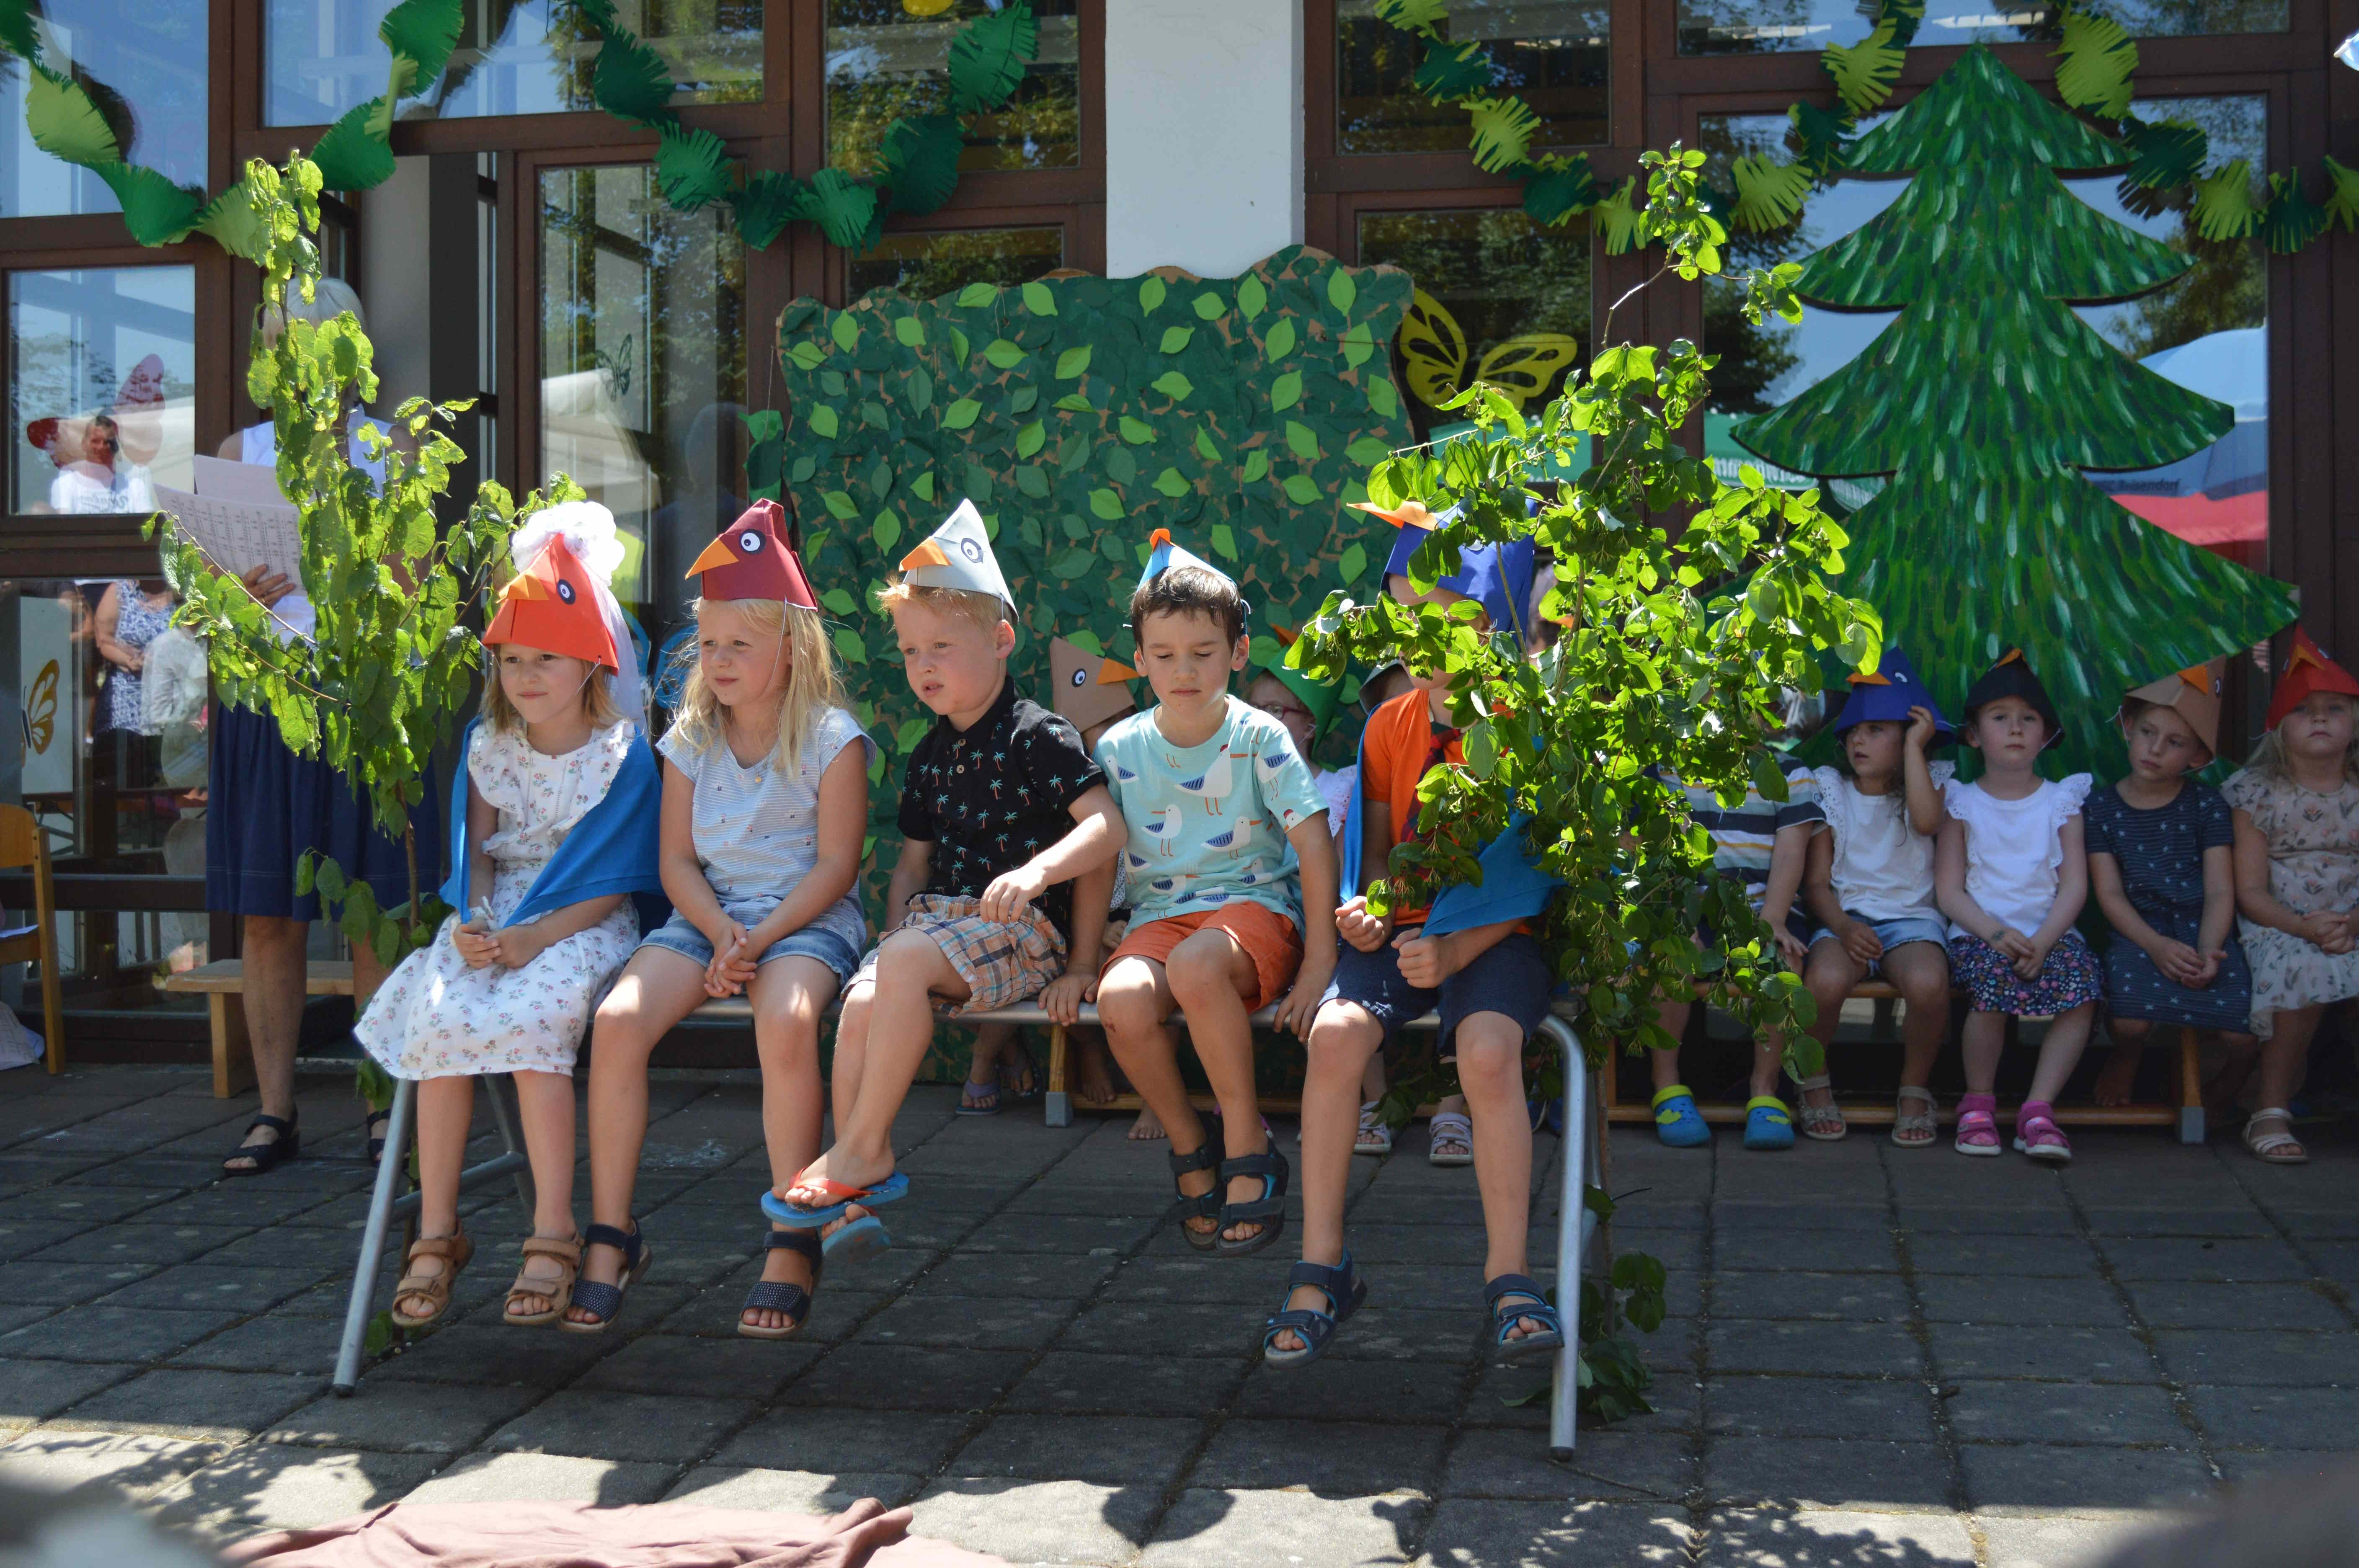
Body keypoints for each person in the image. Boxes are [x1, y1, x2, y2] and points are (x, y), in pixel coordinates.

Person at [768, 500, 1122, 1254]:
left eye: (940, 646)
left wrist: (1064, 924)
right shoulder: (930, 756)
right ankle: (850, 1191)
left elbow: (1105, 831)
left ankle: (865, 1149)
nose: (921, 665)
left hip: (1020, 929)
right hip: (936, 929)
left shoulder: (1039, 734)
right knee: (861, 999)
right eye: (908, 651)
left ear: (1000, 641)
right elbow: (912, 867)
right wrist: (896, 938)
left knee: (892, 967)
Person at [1267, 500, 1560, 1367]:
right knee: (1333, 1038)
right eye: (1405, 613)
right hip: (1410, 935)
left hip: (1500, 938)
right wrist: (1364, 901)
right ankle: (1321, 1265)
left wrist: (1460, 949)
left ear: (1493, 619)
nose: (1420, 638)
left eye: (1445, 614)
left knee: (1485, 1055)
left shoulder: (1528, 723)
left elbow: (1539, 876)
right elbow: (1384, 846)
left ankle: (1510, 1276)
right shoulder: (1388, 724)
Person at [568, 500, 870, 1336]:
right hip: (709, 919)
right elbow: (675, 863)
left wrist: (759, 942)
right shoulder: (691, 739)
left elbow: (838, 868)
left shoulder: (832, 738)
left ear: (792, 647)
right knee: (619, 1022)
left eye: (741, 644)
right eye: (710, 644)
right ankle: (609, 1235)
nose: (720, 660)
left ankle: (792, 1231)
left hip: (803, 921)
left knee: (785, 1017)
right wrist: (718, 933)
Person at [356, 515, 661, 1331]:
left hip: (579, 921)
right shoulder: (489, 743)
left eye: (545, 659)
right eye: (512, 660)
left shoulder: (620, 752)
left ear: (591, 661)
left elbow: (612, 877)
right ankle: (436, 1232)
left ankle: (553, 1230)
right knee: (439, 1017)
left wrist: (534, 937)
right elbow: (479, 852)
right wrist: (476, 919)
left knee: (535, 1021)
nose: (526, 675)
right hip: (497, 916)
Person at [211, 277, 437, 1176]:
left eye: (299, 341)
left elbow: (418, 590)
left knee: (371, 909)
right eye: (272, 343)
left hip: (363, 701)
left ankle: (384, 1107)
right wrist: (235, 594)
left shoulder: (396, 447)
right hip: (267, 703)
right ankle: (274, 1112)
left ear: (344, 349)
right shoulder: (240, 449)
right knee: (268, 916)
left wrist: (372, 560)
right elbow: (213, 600)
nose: (284, 360)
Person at [1090, 529, 1337, 1255]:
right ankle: (1188, 1140)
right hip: (1161, 918)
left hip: (1253, 914)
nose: (1184, 670)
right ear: (1139, 661)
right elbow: (1100, 855)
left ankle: (1244, 1135)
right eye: (1164, 656)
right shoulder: (1117, 748)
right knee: (1122, 998)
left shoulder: (1261, 736)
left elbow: (1313, 843)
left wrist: (1320, 961)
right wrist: (1084, 953)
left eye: (1203, 653)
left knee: (1198, 964)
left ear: (1237, 651)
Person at [1931, 650, 2101, 1161]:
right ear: (1974, 735)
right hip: (1980, 934)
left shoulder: (2062, 801)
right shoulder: (1961, 802)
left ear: (2046, 735)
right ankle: (1977, 1103)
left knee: (2082, 987)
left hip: (2049, 931)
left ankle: (2038, 1109)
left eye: (2029, 720)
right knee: (1990, 985)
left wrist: (2045, 940)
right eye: (2000, 718)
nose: (2015, 729)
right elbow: (1949, 891)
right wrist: (1996, 935)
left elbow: (2073, 886)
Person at [1647, 706, 1830, 1151]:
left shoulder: (1790, 772)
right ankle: (1667, 1087)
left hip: (1760, 907)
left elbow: (1791, 854)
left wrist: (1772, 919)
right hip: (1688, 907)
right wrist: (1680, 917)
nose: (1731, 713)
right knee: (1672, 955)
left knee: (1784, 961)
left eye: (1752, 703)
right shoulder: (1668, 768)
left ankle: (1764, 1093)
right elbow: (1663, 852)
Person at [1799, 650, 1956, 1148]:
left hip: (1912, 923)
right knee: (1822, 981)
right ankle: (1813, 1080)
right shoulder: (1831, 792)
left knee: (1930, 984)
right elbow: (1818, 885)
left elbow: (1927, 824)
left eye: (1877, 730)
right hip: (1846, 920)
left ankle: (1914, 1088)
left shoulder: (1933, 789)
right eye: (1853, 732)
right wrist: (1843, 928)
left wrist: (1915, 750)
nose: (1858, 741)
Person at [2087, 661, 2257, 1113]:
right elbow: (2109, 895)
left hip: (2205, 927)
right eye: (2147, 732)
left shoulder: (2207, 806)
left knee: (2242, 1034)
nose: (2155, 748)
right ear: (2128, 726)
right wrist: (2155, 945)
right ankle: (2128, 1056)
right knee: (2127, 1023)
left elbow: (2221, 891)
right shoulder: (2100, 809)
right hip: (2138, 930)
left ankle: (2236, 1077)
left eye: (2175, 742)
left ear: (2197, 758)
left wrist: (2208, 948)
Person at [2224, 629, 2359, 1166]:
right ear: (2279, 728)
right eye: (2304, 710)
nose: (2319, 718)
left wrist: (2351, 921)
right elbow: (2250, 891)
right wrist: (2307, 927)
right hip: (2279, 926)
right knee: (2305, 971)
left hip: (2353, 921)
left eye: (2333, 709)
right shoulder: (2258, 793)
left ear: (2354, 725)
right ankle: (2270, 1107)